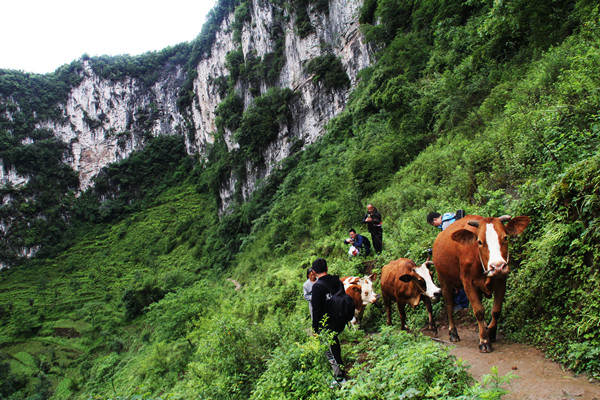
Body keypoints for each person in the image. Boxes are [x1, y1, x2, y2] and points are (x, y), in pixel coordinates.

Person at [310, 258, 348, 385]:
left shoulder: (317, 288)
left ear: (314, 272)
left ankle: (340, 377)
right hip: (341, 320)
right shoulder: (337, 281)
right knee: (335, 344)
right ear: (327, 268)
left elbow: (316, 311)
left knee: (331, 349)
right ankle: (340, 371)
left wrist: (315, 329)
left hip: (328, 324)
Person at [427, 210, 469, 310]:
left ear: (435, 219)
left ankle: (463, 304)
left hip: (458, 254)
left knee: (456, 280)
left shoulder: (446, 225)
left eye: (434, 224)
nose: (435, 226)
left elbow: (449, 243)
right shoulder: (451, 219)